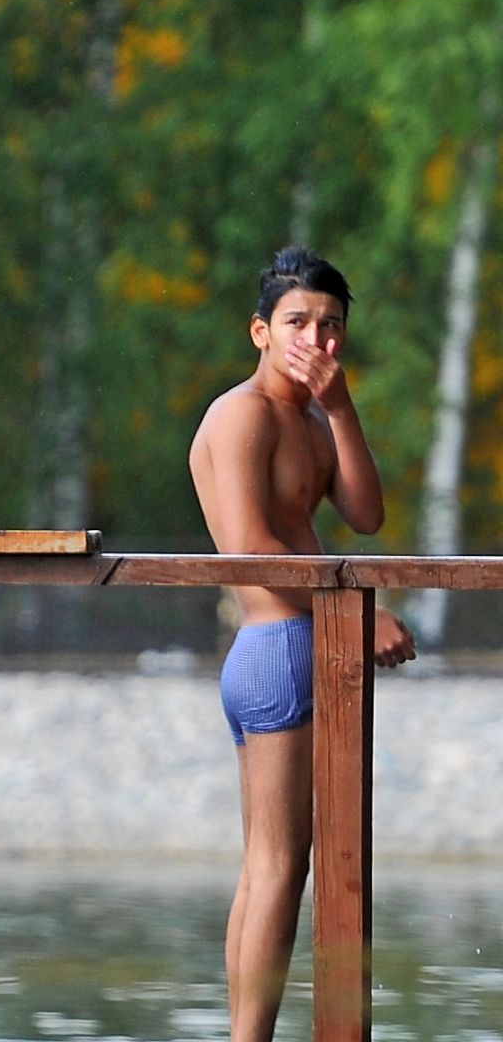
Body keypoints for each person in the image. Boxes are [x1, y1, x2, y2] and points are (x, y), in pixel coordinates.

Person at [187, 246, 416, 1042]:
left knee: (269, 866)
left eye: (331, 327)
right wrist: (354, 613)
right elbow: (250, 545)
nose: (315, 341)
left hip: (289, 645)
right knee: (282, 868)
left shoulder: (313, 419)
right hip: (280, 644)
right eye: (298, 323)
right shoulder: (241, 414)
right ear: (259, 330)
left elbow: (365, 515)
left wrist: (344, 408)